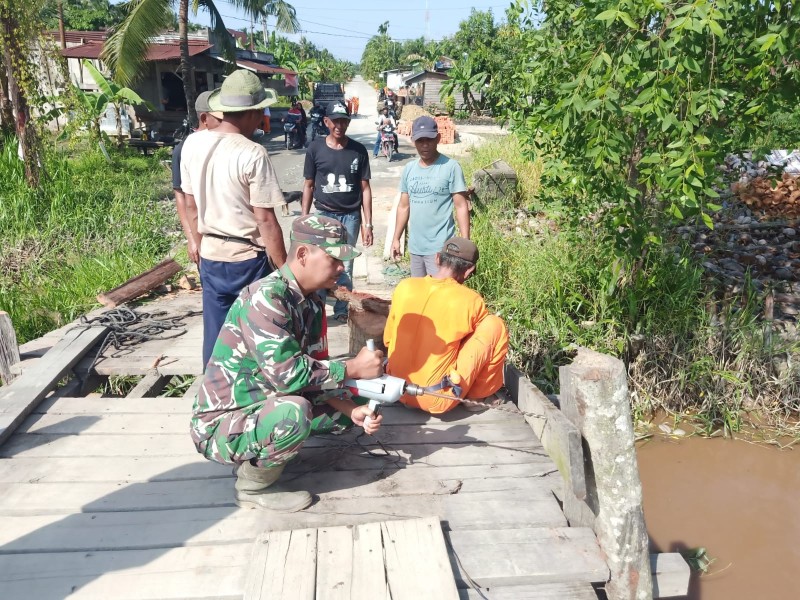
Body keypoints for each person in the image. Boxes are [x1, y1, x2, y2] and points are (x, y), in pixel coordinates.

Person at [191, 215, 385, 512]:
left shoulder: (311, 301)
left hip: (263, 404)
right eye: (334, 258)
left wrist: (352, 409)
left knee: (356, 400)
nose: (341, 268)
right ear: (304, 255)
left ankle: (259, 451)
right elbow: (289, 376)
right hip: (220, 425)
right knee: (294, 413)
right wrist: (353, 368)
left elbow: (316, 370)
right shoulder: (266, 298)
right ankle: (253, 486)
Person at [180, 69, 287, 369]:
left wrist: (200, 247)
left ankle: (212, 396)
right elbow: (265, 220)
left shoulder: (192, 144)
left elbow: (191, 206)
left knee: (215, 337)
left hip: (211, 256)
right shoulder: (252, 152)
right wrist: (285, 271)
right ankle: (255, 400)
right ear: (251, 112)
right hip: (247, 260)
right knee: (258, 334)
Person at [384, 237, 509, 415]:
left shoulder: (405, 286)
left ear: (437, 258)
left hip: (396, 388)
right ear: (469, 271)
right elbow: (477, 342)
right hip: (437, 398)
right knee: (494, 324)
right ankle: (477, 397)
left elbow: (388, 340)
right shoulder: (470, 299)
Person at [301, 101, 373, 323]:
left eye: (344, 121)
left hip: (350, 216)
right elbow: (309, 185)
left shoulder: (358, 151)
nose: (339, 125)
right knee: (321, 263)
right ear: (326, 122)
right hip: (324, 214)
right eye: (335, 121)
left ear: (348, 123)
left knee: (346, 265)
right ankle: (319, 308)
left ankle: (342, 310)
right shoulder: (315, 149)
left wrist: (367, 223)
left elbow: (365, 188)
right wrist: (304, 218)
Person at [391, 115, 470, 277]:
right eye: (420, 141)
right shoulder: (409, 169)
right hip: (416, 248)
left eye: (429, 140)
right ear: (413, 141)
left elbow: (461, 206)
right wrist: (396, 239)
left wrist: (465, 244)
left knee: (440, 297)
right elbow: (403, 206)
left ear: (438, 139)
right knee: (419, 296)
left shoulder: (451, 167)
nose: (425, 145)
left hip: (441, 249)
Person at [172, 91, 222, 266]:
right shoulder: (184, 148)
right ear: (205, 117)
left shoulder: (227, 143)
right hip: (203, 235)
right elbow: (181, 197)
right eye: (220, 116)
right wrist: (192, 239)